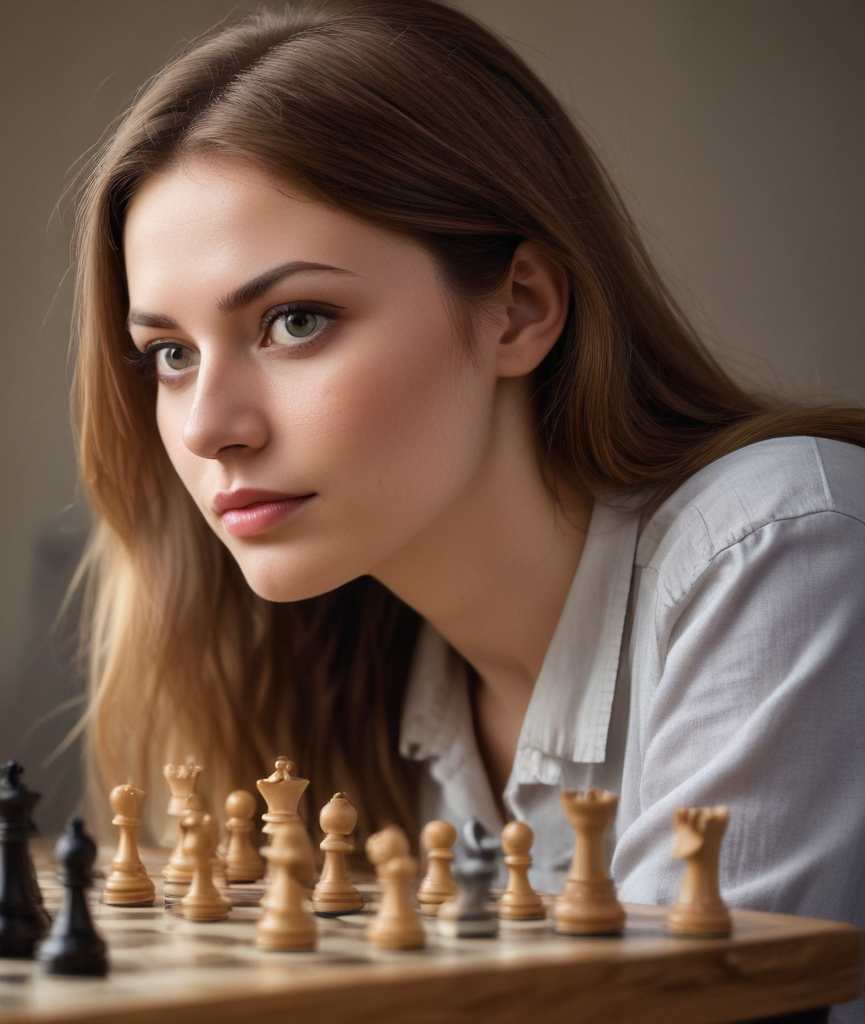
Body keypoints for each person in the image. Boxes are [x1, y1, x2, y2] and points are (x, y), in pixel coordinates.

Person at [70, 2, 864, 1013]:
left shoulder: (783, 544)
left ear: (519, 308)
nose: (207, 425)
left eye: (295, 321)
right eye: (170, 354)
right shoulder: (333, 685)